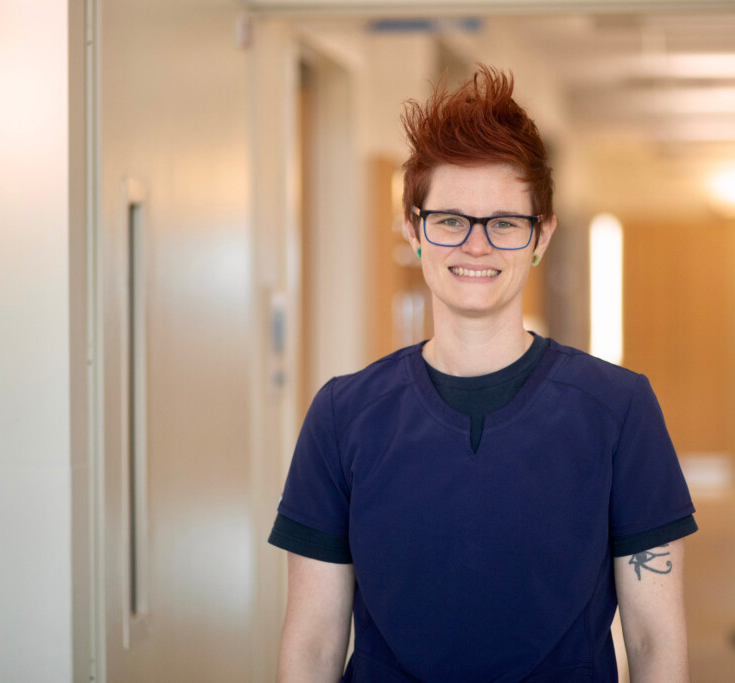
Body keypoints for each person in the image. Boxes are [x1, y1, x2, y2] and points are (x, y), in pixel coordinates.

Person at [269, 64, 697, 683]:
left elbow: (656, 642)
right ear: (415, 230)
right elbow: (311, 646)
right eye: (450, 221)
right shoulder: (343, 416)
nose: (476, 246)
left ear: (540, 237)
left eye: (504, 223)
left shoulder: (617, 410)